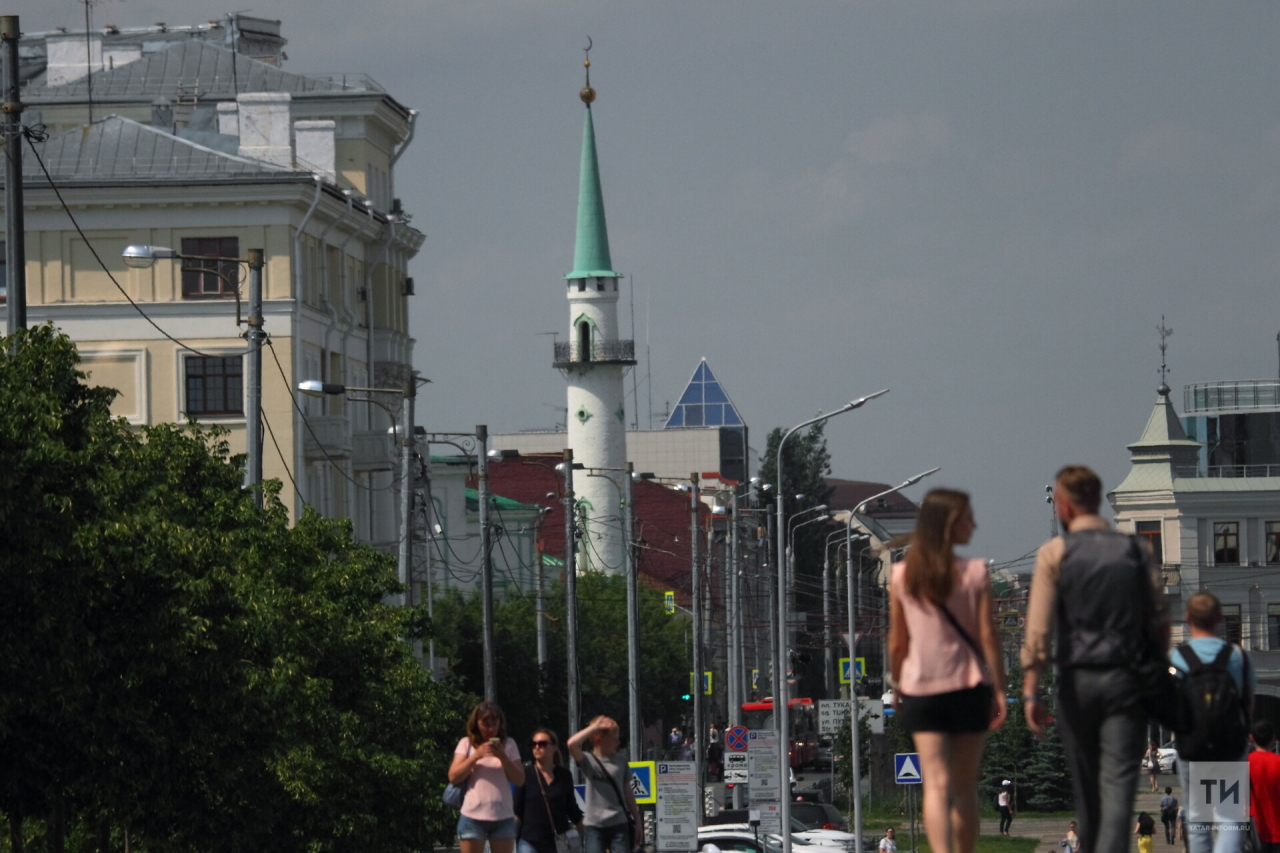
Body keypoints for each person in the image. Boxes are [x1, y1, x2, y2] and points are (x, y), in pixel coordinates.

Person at [1022, 466, 1168, 853]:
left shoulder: (1054, 553)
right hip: (1126, 682)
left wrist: (1031, 692)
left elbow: (1038, 633)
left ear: (1065, 504)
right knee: (1120, 783)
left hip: (1077, 684)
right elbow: (1159, 620)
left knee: (1087, 788)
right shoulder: (1136, 551)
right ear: (1097, 498)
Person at [888, 488, 1007, 853]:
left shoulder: (902, 575)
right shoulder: (975, 572)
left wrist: (896, 683)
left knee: (935, 784)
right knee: (964, 785)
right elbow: (988, 635)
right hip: (968, 688)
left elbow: (897, 642)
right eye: (968, 517)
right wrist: (1000, 689)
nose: (974, 524)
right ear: (950, 525)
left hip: (920, 690)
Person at [1171, 591, 1254, 853]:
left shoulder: (1177, 658)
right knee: (1230, 817)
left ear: (1187, 618)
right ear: (1219, 618)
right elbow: (1247, 703)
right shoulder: (1237, 656)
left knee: (1198, 819)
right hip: (1229, 747)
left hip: (1192, 748)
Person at [449, 701, 526, 853]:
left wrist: (503, 757)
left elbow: (520, 780)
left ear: (500, 724)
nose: (490, 728)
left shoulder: (509, 744)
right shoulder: (466, 743)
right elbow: (453, 776)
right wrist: (475, 756)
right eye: (485, 723)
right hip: (472, 816)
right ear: (476, 724)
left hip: (503, 817)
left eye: (494, 723)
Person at [567, 716, 641, 853]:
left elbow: (628, 793)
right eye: (614, 738)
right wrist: (594, 728)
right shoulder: (588, 760)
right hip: (594, 826)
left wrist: (637, 821)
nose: (618, 742)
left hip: (619, 823)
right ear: (598, 740)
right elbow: (571, 744)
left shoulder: (621, 760)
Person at [515, 728, 583, 853]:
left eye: (542, 744)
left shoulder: (564, 775)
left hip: (557, 842)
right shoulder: (525, 774)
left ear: (554, 747)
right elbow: (516, 811)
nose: (537, 747)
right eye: (533, 744)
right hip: (529, 841)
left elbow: (572, 809)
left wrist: (594, 837)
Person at [1249, 720, 1280, 853]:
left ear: (1251, 738)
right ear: (1273, 738)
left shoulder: (1244, 763)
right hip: (1277, 832)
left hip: (1252, 833)